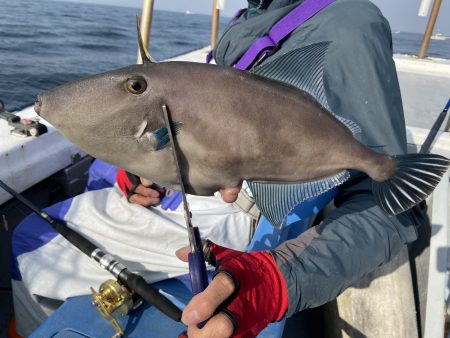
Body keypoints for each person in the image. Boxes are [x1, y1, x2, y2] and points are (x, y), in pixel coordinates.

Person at [174, 0, 425, 337]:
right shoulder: (252, 16)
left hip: (248, 220)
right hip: (200, 205)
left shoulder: (349, 26)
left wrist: (276, 281)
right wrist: (149, 169)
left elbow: (392, 207)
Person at [11, 161, 255, 336]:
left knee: (30, 237)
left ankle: (30, 330)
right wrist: (132, 169)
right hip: (192, 186)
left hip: (219, 206)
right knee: (100, 169)